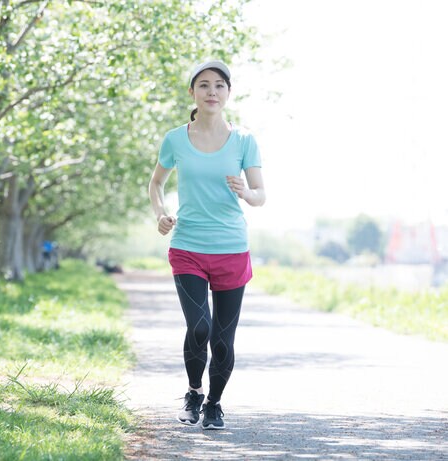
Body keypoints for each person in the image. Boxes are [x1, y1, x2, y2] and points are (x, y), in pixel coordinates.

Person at [148, 59, 266, 430]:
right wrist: (161, 214)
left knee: (222, 337)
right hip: (188, 246)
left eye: (219, 85)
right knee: (199, 327)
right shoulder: (175, 139)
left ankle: (214, 403)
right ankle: (194, 392)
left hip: (231, 249)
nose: (212, 91)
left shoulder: (245, 140)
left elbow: (261, 195)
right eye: (204, 85)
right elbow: (156, 183)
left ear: (228, 93)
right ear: (193, 93)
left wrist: (246, 192)